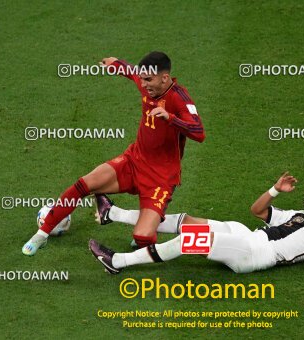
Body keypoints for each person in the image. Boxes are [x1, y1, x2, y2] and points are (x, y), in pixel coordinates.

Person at [22, 51, 205, 256]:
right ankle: (41, 234)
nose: (143, 84)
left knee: (143, 237)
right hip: (133, 161)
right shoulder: (147, 82)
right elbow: (132, 73)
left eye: (148, 80)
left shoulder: (179, 97)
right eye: (142, 79)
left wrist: (170, 118)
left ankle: (130, 222)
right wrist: (116, 63)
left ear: (164, 78)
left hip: (160, 178)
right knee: (83, 185)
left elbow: (199, 132)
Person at [88, 172, 304, 282]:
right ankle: (112, 214)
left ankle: (117, 262)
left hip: (255, 255)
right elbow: (257, 211)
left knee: (189, 240)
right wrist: (276, 189)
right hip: (248, 236)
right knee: (188, 222)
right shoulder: (296, 214)